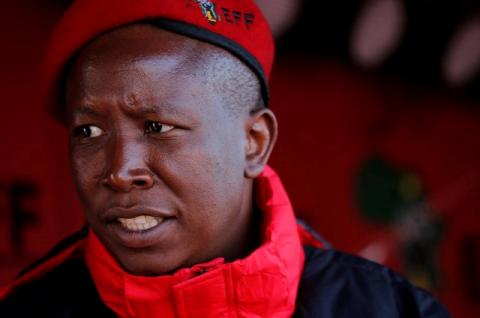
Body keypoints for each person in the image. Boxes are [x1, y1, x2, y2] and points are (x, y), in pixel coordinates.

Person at [0, 0, 450, 317]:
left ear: (254, 141)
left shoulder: (389, 310)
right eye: (89, 132)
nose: (120, 170)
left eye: (157, 127)